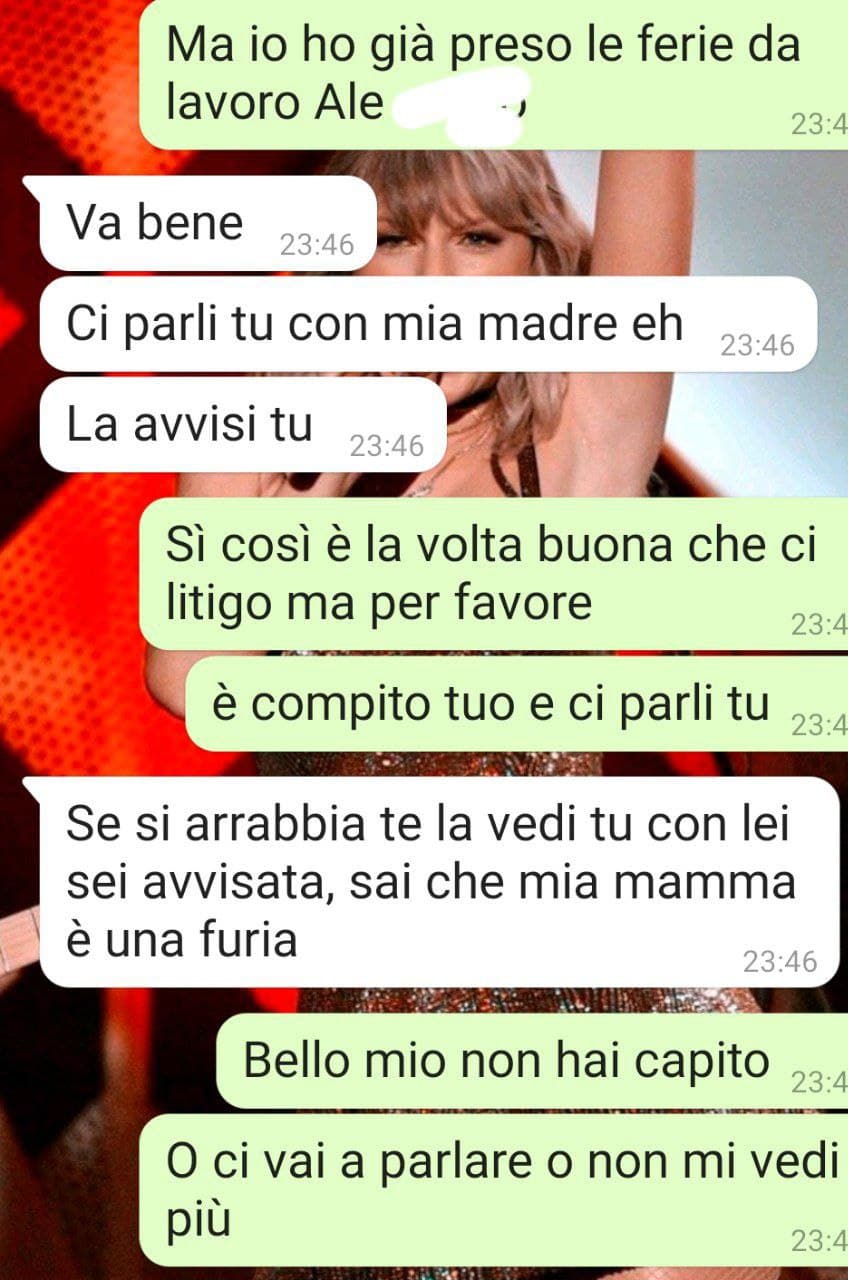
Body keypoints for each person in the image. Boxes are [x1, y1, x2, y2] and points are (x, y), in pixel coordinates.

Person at [147, 150, 765, 1280]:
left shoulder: (569, 459)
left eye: (478, 241)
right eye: (393, 239)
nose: (433, 282)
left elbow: (654, 142)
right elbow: (189, 675)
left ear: (537, 272)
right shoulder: (259, 451)